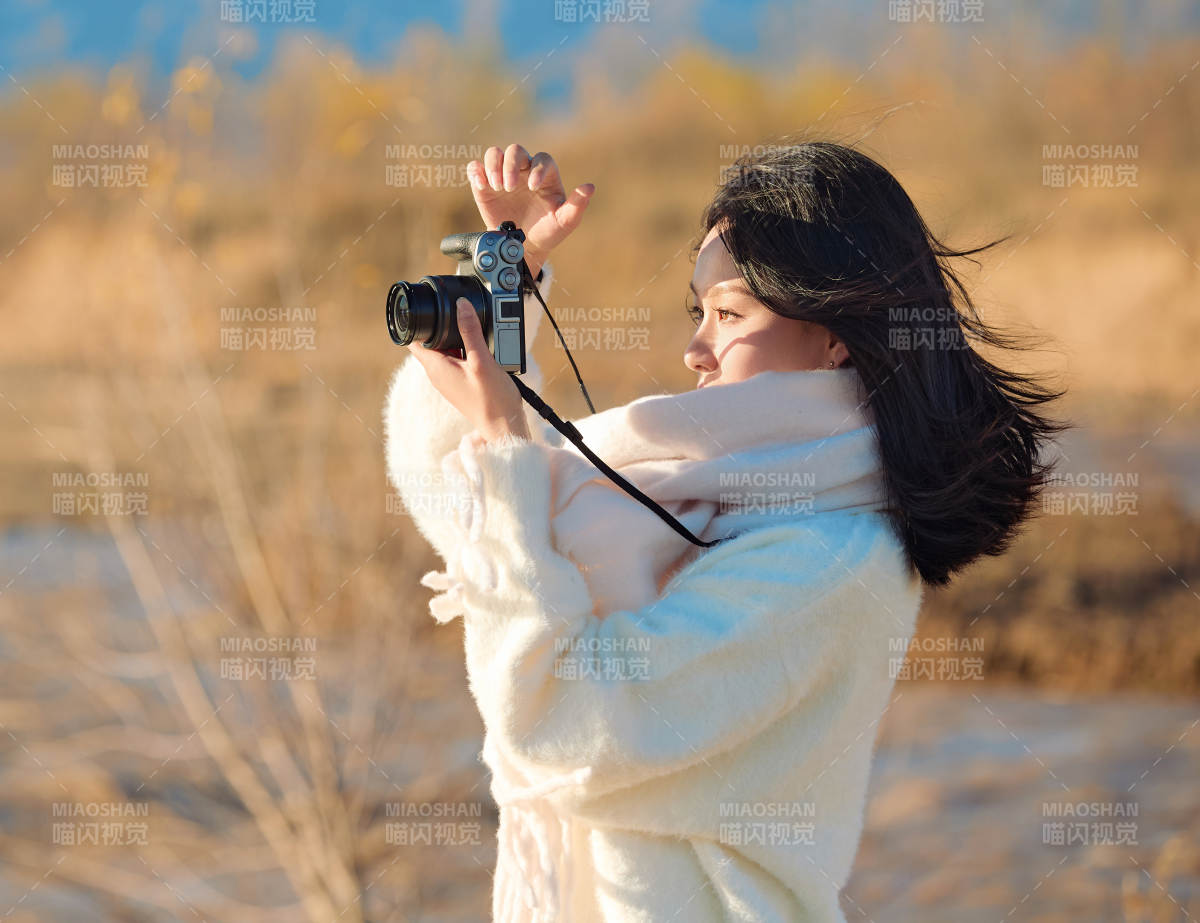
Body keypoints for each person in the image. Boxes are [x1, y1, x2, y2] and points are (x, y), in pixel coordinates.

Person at [382, 141, 1066, 922]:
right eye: (698, 310)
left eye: (730, 313)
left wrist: (508, 449)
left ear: (837, 331)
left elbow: (566, 725)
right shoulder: (698, 493)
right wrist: (511, 286)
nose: (695, 347)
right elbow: (460, 500)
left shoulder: (831, 558)